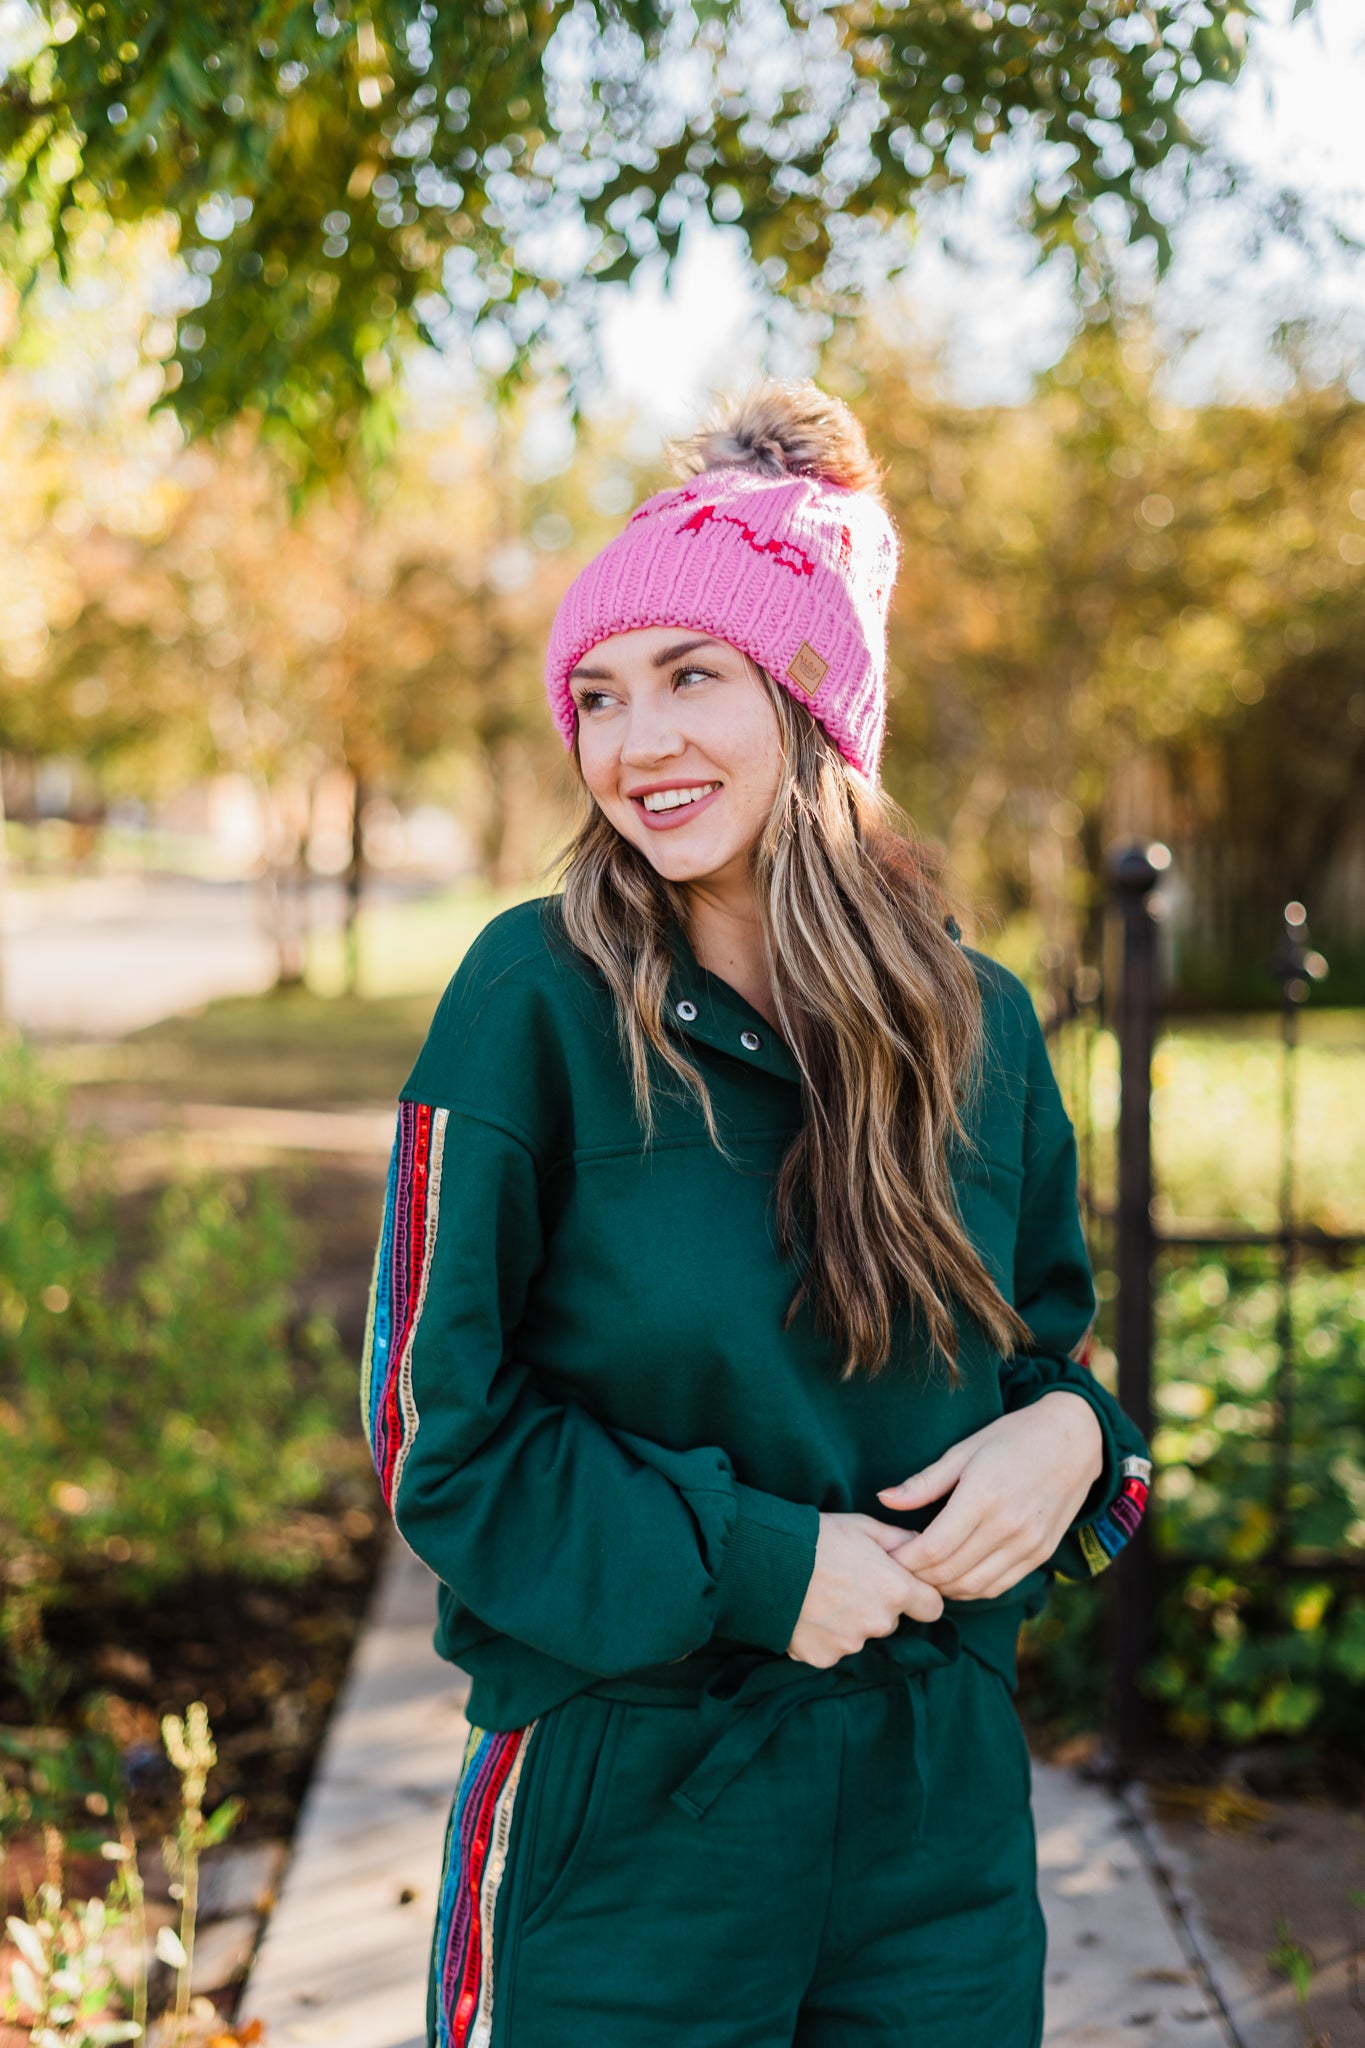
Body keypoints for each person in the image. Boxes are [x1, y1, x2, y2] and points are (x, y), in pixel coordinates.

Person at [361, 381, 1151, 2048]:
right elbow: (437, 1430)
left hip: (933, 1825)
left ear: (811, 703)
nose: (635, 745)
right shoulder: (534, 1000)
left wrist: (1078, 1451)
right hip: (629, 1816)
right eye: (597, 695)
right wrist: (755, 1567)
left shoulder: (983, 1028)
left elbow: (1050, 1365)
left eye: (690, 678)